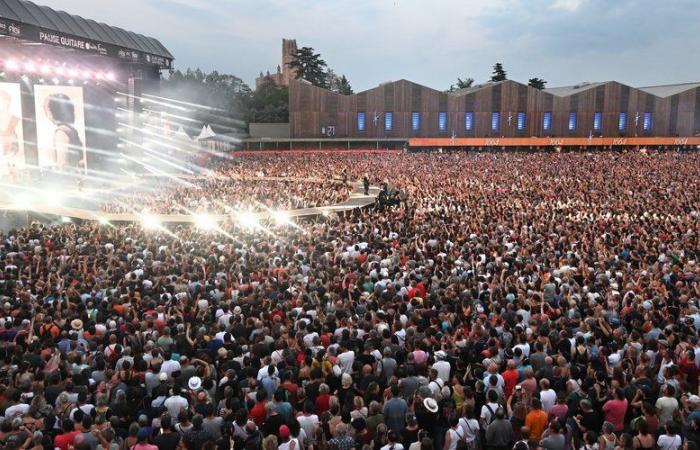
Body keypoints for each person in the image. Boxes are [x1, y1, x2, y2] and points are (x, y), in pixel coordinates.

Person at [43, 92, 85, 173]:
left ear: (54, 111)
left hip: (67, 180)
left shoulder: (61, 133)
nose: (47, 115)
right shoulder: (71, 130)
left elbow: (63, 164)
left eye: (47, 110)